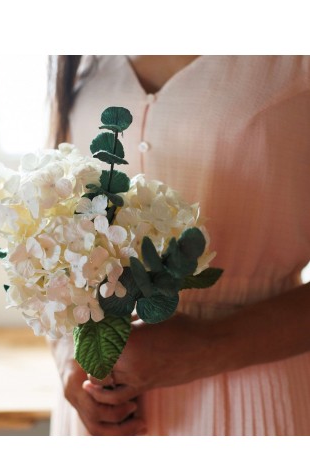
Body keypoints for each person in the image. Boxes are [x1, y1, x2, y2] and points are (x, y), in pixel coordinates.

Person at [48, 55, 310, 436]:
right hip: (100, 407)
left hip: (256, 402)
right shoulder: (85, 60)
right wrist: (68, 360)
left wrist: (209, 347)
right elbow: (54, 234)